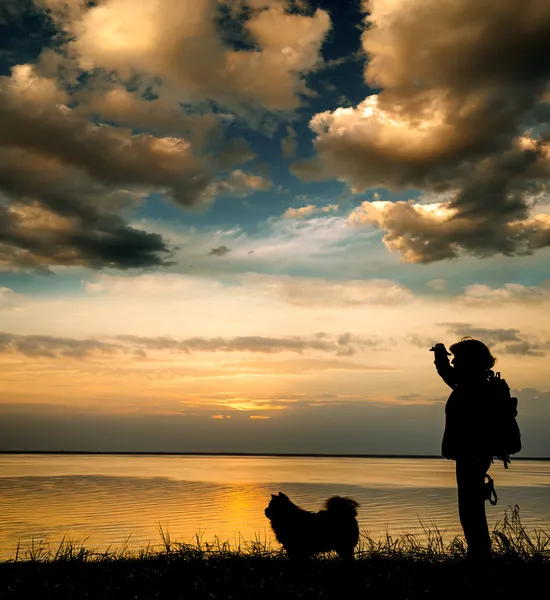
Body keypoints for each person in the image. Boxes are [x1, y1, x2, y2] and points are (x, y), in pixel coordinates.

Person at [431, 337, 497, 562]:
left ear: (470, 362)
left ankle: (479, 557)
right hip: (474, 455)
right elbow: (446, 373)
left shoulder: (471, 386)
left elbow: (447, 374)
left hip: (472, 455)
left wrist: (440, 355)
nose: (455, 362)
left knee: (470, 509)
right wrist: (441, 355)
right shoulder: (475, 383)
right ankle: (479, 554)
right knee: (472, 507)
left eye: (458, 358)